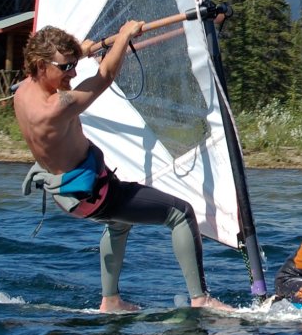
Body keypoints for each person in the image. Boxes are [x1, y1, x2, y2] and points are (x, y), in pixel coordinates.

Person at [13, 21, 230, 313]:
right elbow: (105, 76)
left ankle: (110, 301)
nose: (73, 73)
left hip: (70, 195)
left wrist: (82, 51)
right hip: (94, 194)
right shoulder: (55, 107)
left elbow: (71, 68)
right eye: (66, 68)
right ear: (41, 65)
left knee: (119, 223)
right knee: (181, 213)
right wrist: (125, 35)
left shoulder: (23, 90)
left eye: (73, 65)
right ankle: (200, 299)